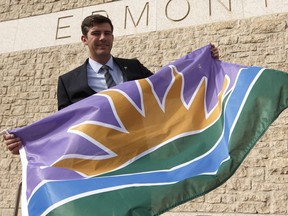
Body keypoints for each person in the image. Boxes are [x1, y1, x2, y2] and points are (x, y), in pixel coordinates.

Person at [3, 14, 219, 155]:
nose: (102, 38)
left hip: (139, 153)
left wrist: (201, 65)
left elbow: (167, 89)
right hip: (97, 159)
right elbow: (63, 127)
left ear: (113, 37)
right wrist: (26, 143)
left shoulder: (133, 68)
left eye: (107, 33)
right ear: (84, 39)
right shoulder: (68, 82)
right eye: (95, 33)